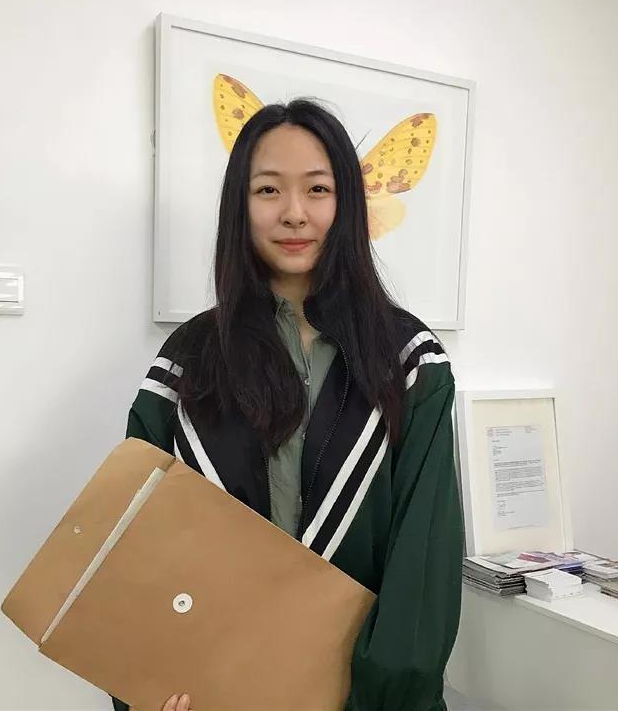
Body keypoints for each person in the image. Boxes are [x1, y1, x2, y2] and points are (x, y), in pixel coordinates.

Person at [111, 100, 463, 711]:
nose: (294, 212)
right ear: (239, 205)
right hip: (218, 687)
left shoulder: (407, 359)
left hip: (358, 695)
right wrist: (151, 680)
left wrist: (384, 697)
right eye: (268, 189)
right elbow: (140, 538)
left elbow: (423, 555)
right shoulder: (189, 360)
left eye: (318, 189)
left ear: (346, 203)